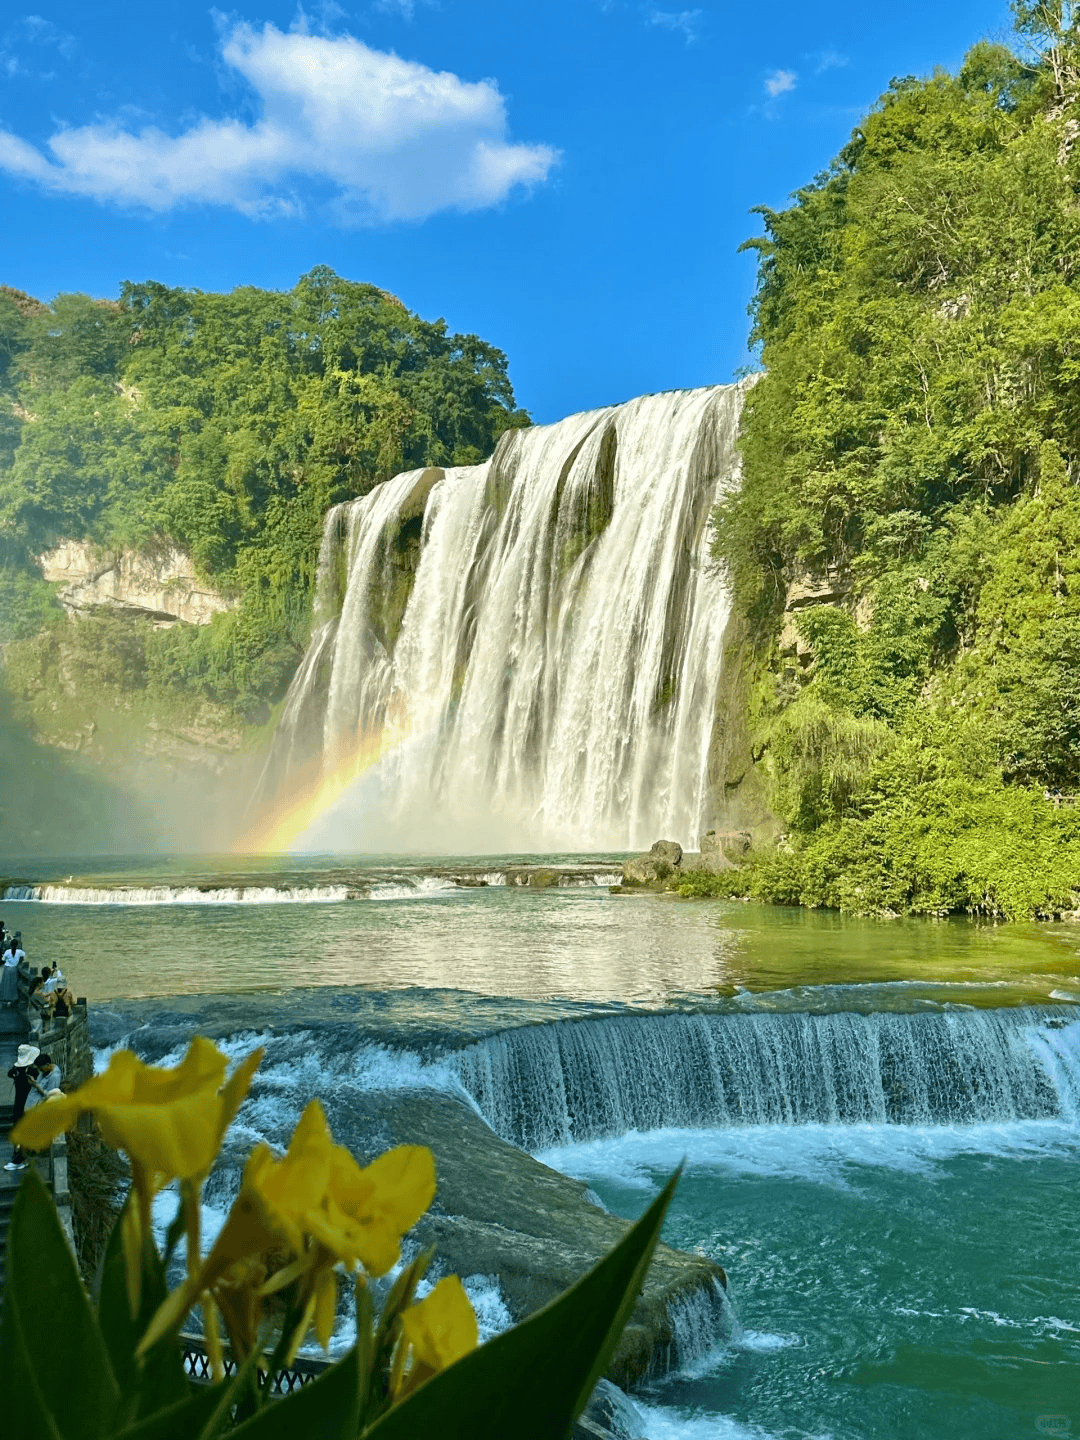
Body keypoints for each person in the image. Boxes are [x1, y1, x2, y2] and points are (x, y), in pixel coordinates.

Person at [5, 1043, 40, 1171]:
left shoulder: (16, 1070)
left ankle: (19, 1154)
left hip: (18, 1102)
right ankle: (20, 1157)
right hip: (28, 1102)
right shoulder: (31, 1071)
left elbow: (9, 1074)